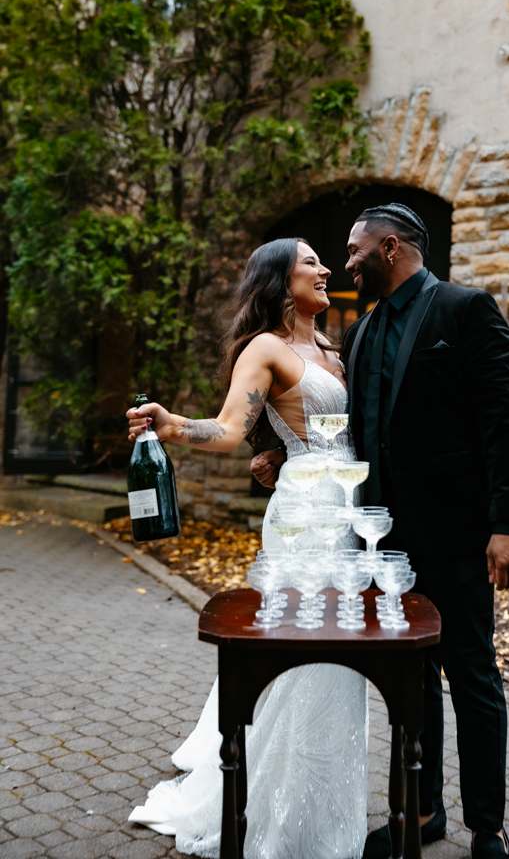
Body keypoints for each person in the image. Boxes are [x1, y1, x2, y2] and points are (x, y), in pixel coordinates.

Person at [252, 204, 509, 859]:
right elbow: (347, 428)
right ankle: (423, 811)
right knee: (413, 682)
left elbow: (503, 421)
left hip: (460, 539)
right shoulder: (364, 332)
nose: (345, 262)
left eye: (352, 250)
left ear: (389, 246)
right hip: (382, 543)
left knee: (470, 676)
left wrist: (507, 525)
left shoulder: (465, 310)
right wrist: (274, 451)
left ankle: (485, 827)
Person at [125, 238, 368, 859]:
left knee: (344, 659)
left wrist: (283, 448)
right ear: (279, 281)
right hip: (308, 517)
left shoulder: (335, 346)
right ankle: (279, 814)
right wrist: (171, 425)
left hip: (350, 510)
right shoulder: (266, 348)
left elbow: (338, 429)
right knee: (305, 651)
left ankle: (322, 806)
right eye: (311, 261)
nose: (325, 270)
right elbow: (232, 429)